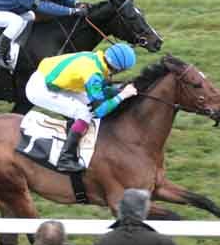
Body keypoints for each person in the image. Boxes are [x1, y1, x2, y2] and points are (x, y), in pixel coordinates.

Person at [25, 43, 138, 172]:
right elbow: (99, 110)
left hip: (55, 81)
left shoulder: (97, 59)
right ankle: (65, 158)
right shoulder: (92, 73)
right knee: (85, 113)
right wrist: (122, 95)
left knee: (86, 104)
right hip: (40, 89)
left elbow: (99, 91)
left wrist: (117, 90)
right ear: (118, 68)